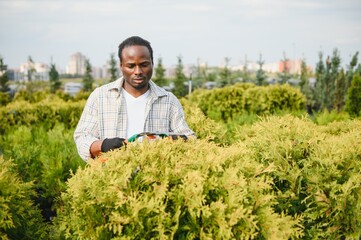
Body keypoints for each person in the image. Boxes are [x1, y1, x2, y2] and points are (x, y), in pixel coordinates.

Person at [74, 36, 195, 161]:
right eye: (131, 66)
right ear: (121, 66)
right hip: (112, 176)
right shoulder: (100, 97)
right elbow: (82, 137)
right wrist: (103, 145)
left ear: (152, 64)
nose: (138, 71)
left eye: (144, 65)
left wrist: (168, 139)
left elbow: (189, 138)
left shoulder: (168, 100)